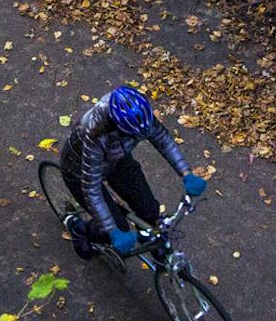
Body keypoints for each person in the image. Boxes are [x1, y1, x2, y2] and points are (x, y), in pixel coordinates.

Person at [62, 84, 208, 259]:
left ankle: (151, 242)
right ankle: (80, 230)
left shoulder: (138, 113)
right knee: (118, 227)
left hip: (117, 159)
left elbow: (162, 139)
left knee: (150, 210)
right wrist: (113, 232)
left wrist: (186, 174)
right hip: (80, 171)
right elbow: (91, 189)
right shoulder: (94, 134)